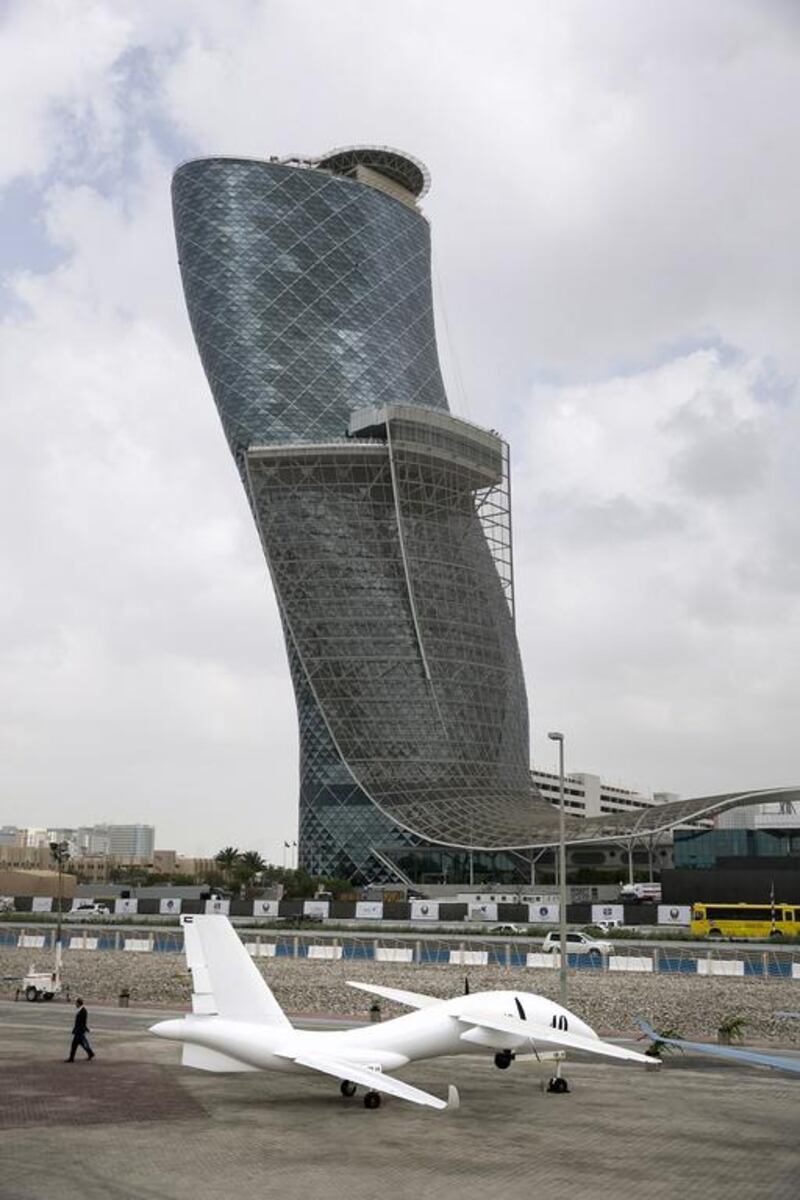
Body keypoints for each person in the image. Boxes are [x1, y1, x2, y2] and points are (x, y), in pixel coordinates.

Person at [65, 997, 95, 1062]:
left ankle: (71, 1058)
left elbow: (82, 1022)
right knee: (82, 1043)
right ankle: (90, 1053)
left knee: (74, 1045)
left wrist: (82, 1029)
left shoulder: (83, 1011)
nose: (75, 1004)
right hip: (79, 1031)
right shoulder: (81, 1010)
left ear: (78, 1003)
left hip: (79, 1031)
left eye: (76, 1003)